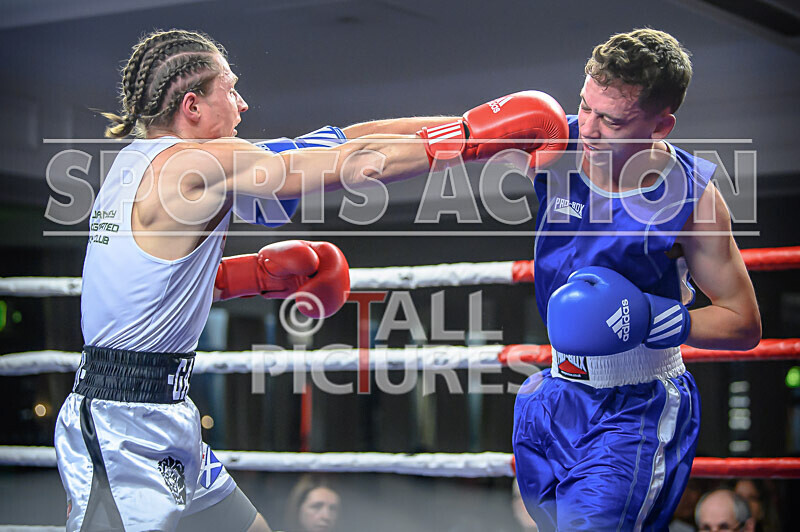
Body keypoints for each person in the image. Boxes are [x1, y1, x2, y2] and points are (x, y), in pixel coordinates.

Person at [53, 29, 568, 531]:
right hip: (123, 422)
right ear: (193, 106)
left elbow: (333, 141)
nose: (243, 104)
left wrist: (471, 123)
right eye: (229, 89)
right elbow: (352, 163)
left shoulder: (134, 165)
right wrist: (470, 140)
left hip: (164, 410)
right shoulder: (197, 166)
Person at [512, 28, 762, 531]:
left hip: (635, 407)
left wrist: (658, 318)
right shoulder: (553, 138)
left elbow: (743, 322)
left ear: (660, 124)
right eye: (584, 105)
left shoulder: (693, 199)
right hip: (551, 396)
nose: (587, 127)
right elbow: (439, 142)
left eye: (611, 119)